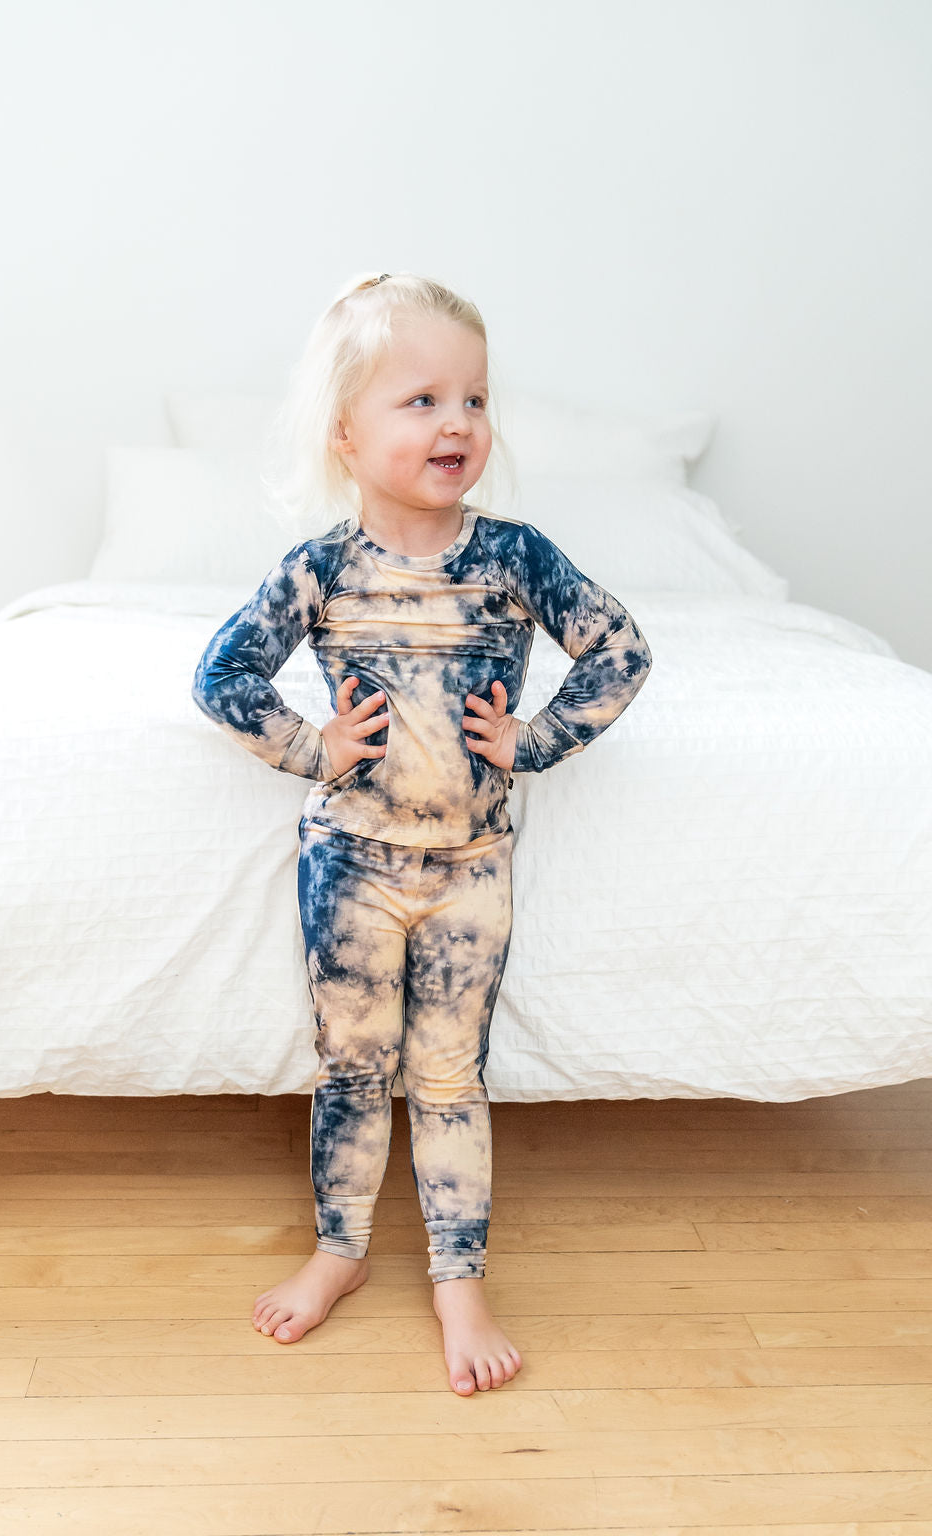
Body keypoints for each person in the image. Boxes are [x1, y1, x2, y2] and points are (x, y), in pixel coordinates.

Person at [191, 270, 653, 1396]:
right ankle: (339, 1250)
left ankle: (460, 1278)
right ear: (345, 434)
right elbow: (222, 676)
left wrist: (536, 738)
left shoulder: (514, 557)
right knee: (353, 1067)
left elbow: (621, 650)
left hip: (470, 866)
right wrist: (313, 748)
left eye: (475, 399)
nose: (458, 423)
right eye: (423, 400)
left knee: (449, 1074)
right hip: (352, 863)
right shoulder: (321, 569)